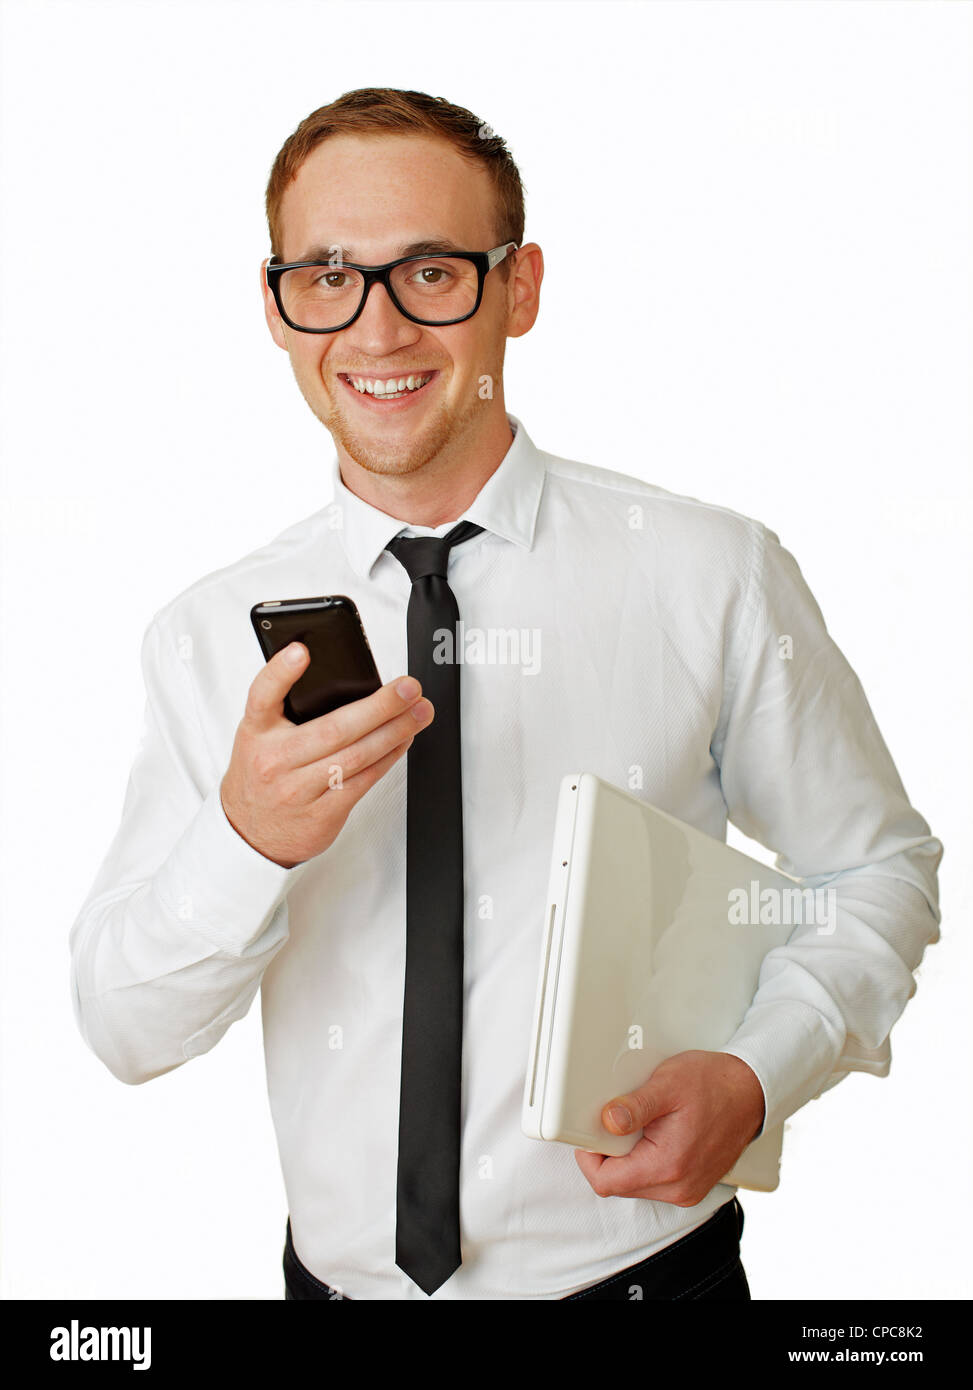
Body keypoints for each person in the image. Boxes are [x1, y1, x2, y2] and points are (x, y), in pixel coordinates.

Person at [69, 87, 942, 1302]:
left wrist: (752, 1079)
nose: (375, 332)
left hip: (649, 1290)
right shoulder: (207, 634)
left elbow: (876, 873)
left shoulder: (707, 573)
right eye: (327, 276)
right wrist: (245, 842)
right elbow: (123, 1028)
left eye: (429, 272)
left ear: (517, 287)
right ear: (277, 307)